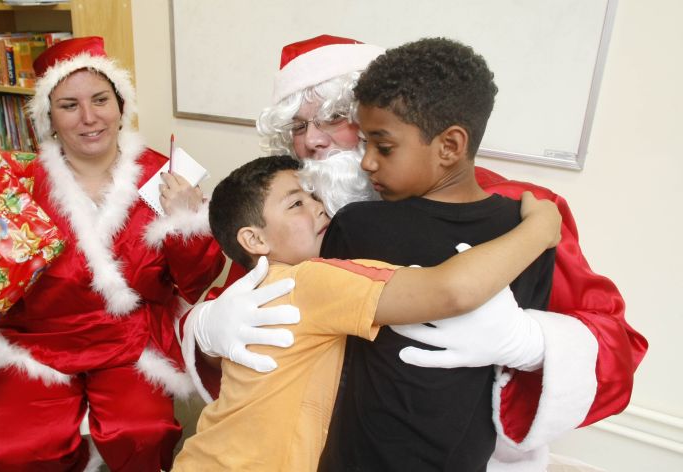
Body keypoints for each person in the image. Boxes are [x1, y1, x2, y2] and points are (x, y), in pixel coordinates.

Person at [251, 34, 648, 470]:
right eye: (297, 127)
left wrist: (530, 342)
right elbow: (253, 305)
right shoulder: (293, 207)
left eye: (332, 118)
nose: (313, 143)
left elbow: (617, 347)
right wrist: (212, 325)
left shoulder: (529, 211)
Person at [0, 37, 225, 472]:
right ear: (49, 117)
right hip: (39, 339)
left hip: (131, 338)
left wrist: (187, 223)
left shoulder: (163, 175)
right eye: (69, 105)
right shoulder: (18, 186)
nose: (89, 118)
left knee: (143, 433)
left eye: (101, 100)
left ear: (121, 105)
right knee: (23, 447)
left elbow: (196, 282)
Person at [173, 154, 561, 471]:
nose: (319, 208)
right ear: (254, 239)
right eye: (296, 204)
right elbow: (449, 288)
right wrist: (540, 228)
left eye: (312, 196)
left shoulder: (259, 284)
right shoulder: (310, 282)